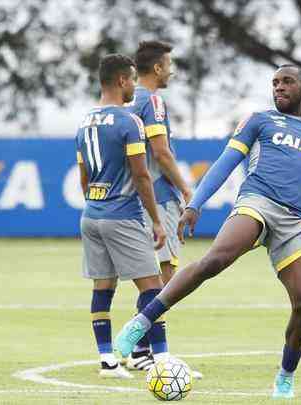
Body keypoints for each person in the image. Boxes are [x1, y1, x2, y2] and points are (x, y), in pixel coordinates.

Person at [115, 65, 301, 399]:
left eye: (287, 82)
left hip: (296, 219)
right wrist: (195, 203)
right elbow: (226, 162)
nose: (279, 87)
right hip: (257, 201)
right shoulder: (259, 120)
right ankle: (143, 321)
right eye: (274, 83)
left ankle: (285, 377)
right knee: (215, 260)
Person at [75, 54, 168, 379]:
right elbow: (142, 176)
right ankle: (163, 361)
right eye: (130, 80)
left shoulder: (85, 121)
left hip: (92, 214)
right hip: (122, 215)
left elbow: (83, 176)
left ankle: (107, 361)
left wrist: (95, 201)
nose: (133, 85)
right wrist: (156, 220)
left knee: (104, 286)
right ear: (120, 81)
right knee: (154, 287)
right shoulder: (130, 122)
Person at [122, 40, 194, 371]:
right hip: (160, 197)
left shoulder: (125, 102)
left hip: (133, 200)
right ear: (157, 69)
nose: (172, 70)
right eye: (168, 64)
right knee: (162, 280)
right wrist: (186, 189)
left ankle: (140, 350)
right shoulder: (152, 101)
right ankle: (151, 353)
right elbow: (161, 152)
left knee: (153, 276)